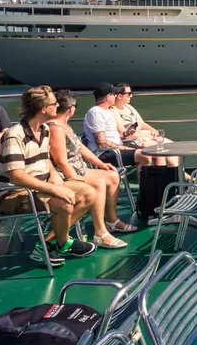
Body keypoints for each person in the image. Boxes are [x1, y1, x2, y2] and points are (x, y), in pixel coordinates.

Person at [0, 86, 98, 266]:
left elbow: (46, 159)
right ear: (43, 109)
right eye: (54, 103)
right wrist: (54, 189)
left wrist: (53, 175)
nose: (57, 105)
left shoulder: (44, 129)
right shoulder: (15, 135)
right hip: (13, 194)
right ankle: (57, 244)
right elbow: (16, 176)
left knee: (89, 193)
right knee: (64, 202)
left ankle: (52, 243)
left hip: (40, 186)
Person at [48, 90, 135, 249]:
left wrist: (101, 164)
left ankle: (111, 221)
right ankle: (100, 233)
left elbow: (81, 148)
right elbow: (60, 161)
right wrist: (76, 181)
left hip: (80, 169)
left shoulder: (64, 125)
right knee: (100, 183)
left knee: (113, 175)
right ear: (71, 109)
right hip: (66, 174)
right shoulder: (56, 129)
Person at [82, 83, 151, 170]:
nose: (116, 96)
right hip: (104, 154)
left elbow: (110, 136)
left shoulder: (107, 111)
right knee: (144, 155)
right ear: (108, 97)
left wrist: (126, 133)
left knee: (151, 151)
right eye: (114, 94)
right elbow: (101, 143)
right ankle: (144, 183)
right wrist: (123, 147)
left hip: (114, 149)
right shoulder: (95, 113)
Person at [110, 83, 178, 169]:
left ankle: (179, 175)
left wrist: (153, 130)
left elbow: (142, 124)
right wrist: (149, 135)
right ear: (119, 96)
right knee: (161, 148)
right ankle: (174, 176)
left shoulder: (128, 107)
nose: (131, 96)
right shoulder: (113, 111)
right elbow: (125, 134)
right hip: (133, 141)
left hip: (144, 136)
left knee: (172, 146)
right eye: (129, 94)